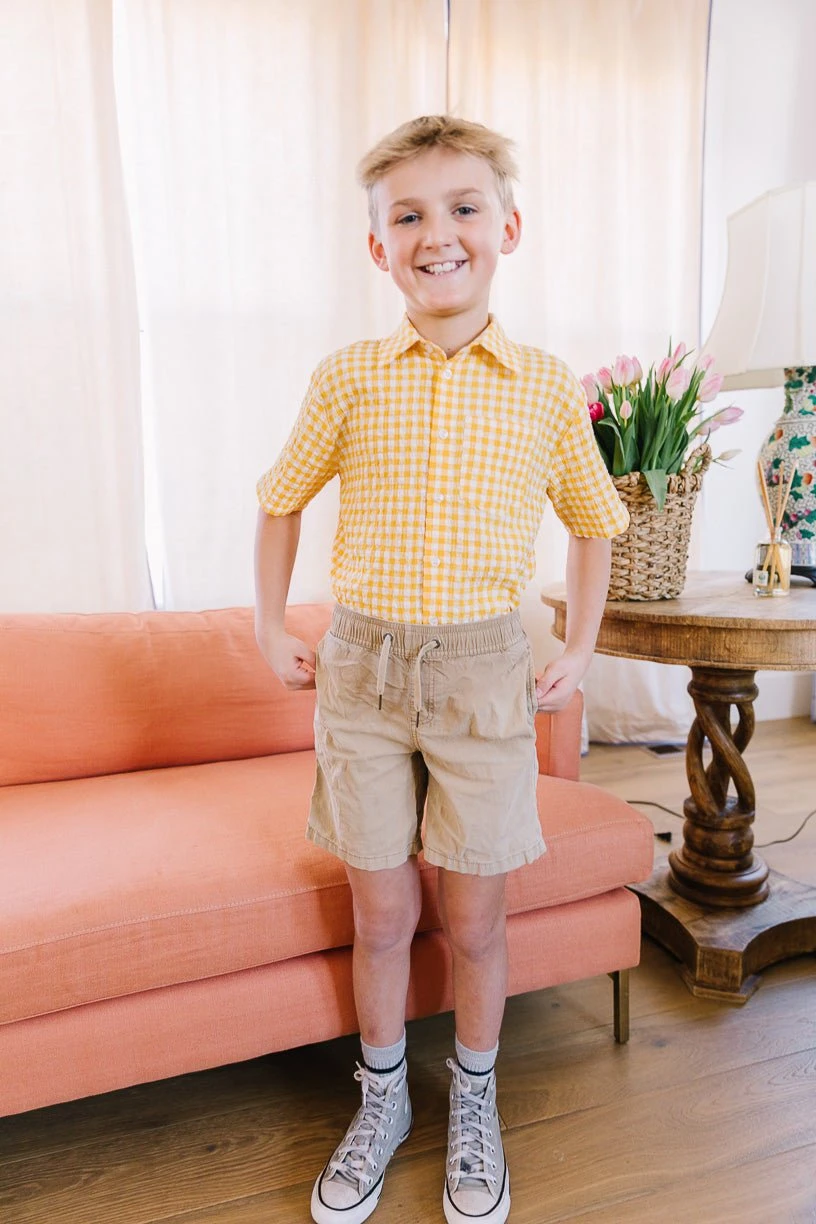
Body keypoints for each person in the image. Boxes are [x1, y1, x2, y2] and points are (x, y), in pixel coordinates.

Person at [254, 114, 628, 1224]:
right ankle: (382, 1098)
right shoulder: (349, 378)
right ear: (379, 246)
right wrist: (269, 625)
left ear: (507, 227)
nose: (438, 234)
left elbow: (595, 522)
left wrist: (581, 644)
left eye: (463, 207)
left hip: (482, 679)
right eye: (408, 216)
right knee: (382, 914)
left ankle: (473, 1096)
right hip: (362, 676)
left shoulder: (546, 387)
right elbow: (280, 499)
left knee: (474, 919)